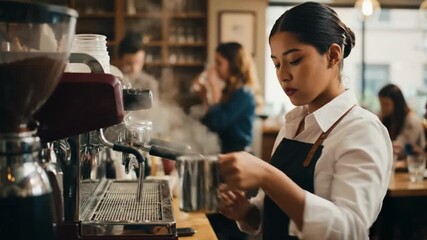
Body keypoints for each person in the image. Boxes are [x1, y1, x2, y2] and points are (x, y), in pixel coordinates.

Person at [216, 2, 393, 239]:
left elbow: (350, 230)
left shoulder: (361, 130)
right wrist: (247, 212)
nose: (283, 75)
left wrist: (267, 176)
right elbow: (276, 212)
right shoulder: (294, 123)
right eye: (277, 63)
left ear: (332, 55)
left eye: (295, 60)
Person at [191, 42, 263, 240]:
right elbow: (210, 121)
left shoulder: (244, 93)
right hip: (228, 158)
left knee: (233, 220)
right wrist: (206, 95)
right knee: (220, 214)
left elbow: (218, 121)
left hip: (240, 160)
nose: (214, 68)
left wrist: (212, 88)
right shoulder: (231, 92)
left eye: (219, 63)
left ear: (233, 64)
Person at [378, 83, 425, 159]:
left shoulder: (412, 121)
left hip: (413, 165)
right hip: (396, 165)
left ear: (397, 103)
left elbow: (400, 147)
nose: (382, 108)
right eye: (381, 104)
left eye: (386, 104)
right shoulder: (385, 117)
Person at [118, 31, 159, 99]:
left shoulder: (150, 83)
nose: (134, 68)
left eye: (138, 62)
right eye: (129, 63)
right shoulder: (115, 81)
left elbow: (154, 108)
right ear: (120, 60)